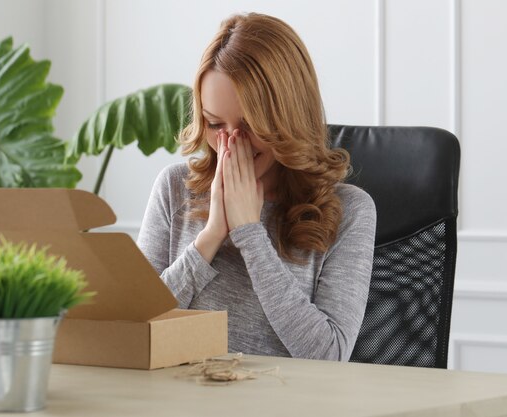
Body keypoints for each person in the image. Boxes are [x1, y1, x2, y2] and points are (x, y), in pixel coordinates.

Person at [137, 13, 376, 361]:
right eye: (215, 123)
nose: (231, 143)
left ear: (287, 118)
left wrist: (250, 233)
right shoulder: (174, 188)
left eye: (249, 126)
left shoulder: (350, 210)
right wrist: (211, 235)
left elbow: (328, 356)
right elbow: (136, 327)